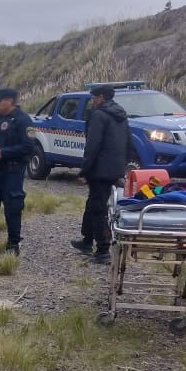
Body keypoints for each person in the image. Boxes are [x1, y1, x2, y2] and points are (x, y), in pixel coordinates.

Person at [71, 84, 128, 264]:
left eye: (94, 97)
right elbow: (128, 141)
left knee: (98, 208)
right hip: (115, 167)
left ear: (102, 97)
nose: (92, 100)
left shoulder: (99, 115)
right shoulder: (121, 115)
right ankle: (87, 240)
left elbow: (92, 146)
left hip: (100, 169)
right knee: (93, 203)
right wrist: (122, 167)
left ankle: (103, 249)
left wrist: (84, 170)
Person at [0, 87, 34, 255]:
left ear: (9, 101)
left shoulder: (24, 120)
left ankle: (13, 244)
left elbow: (28, 146)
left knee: (13, 207)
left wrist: (2, 153)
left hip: (12, 171)